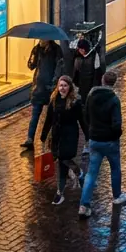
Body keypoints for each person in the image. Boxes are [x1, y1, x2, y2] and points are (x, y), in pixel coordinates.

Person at [79, 72, 126, 218]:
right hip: (110, 141)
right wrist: (115, 136)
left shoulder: (91, 96)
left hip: (95, 140)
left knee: (91, 174)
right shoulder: (114, 100)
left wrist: (92, 131)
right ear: (114, 83)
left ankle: (83, 205)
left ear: (102, 80)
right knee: (115, 169)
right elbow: (117, 124)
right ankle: (117, 196)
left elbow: (85, 116)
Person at [40, 75, 84, 205]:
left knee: (63, 160)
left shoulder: (75, 102)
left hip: (69, 136)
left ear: (69, 87)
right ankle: (73, 177)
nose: (62, 88)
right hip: (57, 136)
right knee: (61, 161)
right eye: (60, 86)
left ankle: (61, 191)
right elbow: (49, 119)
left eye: (65, 86)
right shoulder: (54, 100)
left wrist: (88, 135)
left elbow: (81, 119)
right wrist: (43, 135)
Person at [21, 39, 62, 150]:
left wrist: (54, 82)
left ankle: (50, 140)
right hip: (39, 87)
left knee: (52, 115)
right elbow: (31, 66)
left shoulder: (56, 50)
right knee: (35, 115)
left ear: (48, 39)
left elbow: (59, 67)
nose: (41, 40)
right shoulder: (37, 49)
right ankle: (30, 139)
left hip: (50, 87)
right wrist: (33, 53)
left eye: (43, 39)